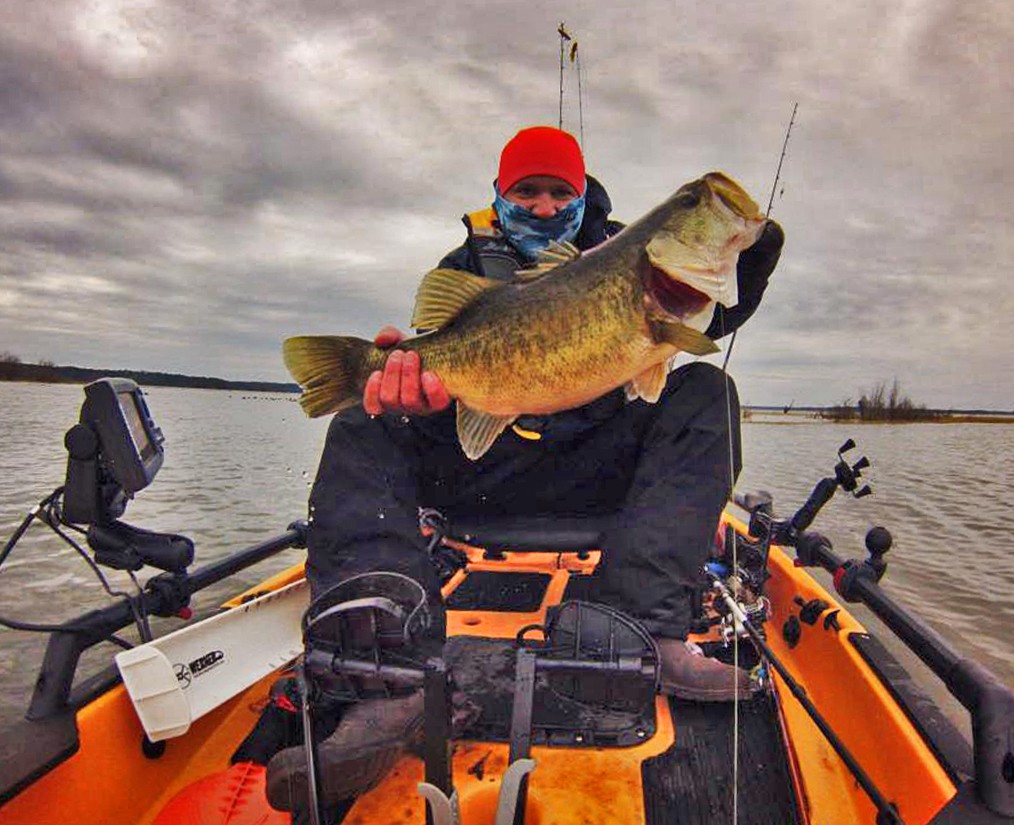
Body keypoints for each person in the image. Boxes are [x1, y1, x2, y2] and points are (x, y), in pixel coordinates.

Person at [266, 126, 784, 811]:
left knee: (708, 394)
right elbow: (434, 353)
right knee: (364, 419)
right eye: (526, 191)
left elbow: (716, 311)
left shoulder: (632, 258)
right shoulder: (464, 267)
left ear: (583, 194)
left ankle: (644, 629)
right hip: (485, 474)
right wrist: (401, 387)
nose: (543, 207)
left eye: (559, 192)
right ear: (499, 196)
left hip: (600, 471)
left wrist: (752, 251)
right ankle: (391, 678)